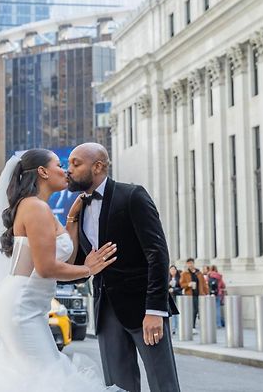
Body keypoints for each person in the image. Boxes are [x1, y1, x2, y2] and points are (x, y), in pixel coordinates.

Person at [0, 149, 120, 392]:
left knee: (32, 377)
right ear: (42, 172)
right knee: (49, 375)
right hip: (21, 306)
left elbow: (65, 255)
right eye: (59, 164)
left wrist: (71, 219)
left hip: (22, 303)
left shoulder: (37, 206)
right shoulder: (36, 208)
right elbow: (46, 267)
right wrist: (87, 269)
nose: (66, 170)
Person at [66, 142, 180, 392]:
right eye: (68, 163)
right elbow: (74, 269)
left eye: (76, 163)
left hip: (143, 309)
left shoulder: (132, 195)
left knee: (164, 385)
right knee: (117, 387)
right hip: (105, 312)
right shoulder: (80, 209)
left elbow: (157, 254)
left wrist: (155, 310)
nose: (68, 169)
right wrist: (71, 220)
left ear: (98, 166)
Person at [180, 258, 208, 330]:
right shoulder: (184, 273)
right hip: (190, 295)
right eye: (188, 263)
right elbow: (181, 284)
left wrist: (206, 292)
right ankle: (192, 326)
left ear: (193, 263)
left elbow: (204, 284)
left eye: (191, 263)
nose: (190, 265)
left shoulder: (199, 273)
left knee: (200, 310)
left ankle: (200, 325)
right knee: (193, 310)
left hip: (199, 294)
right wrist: (188, 284)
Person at [169, 265, 182, 335]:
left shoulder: (179, 278)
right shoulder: (168, 278)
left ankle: (179, 327)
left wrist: (173, 289)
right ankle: (173, 328)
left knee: (178, 313)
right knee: (173, 314)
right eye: (171, 270)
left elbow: (181, 287)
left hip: (178, 297)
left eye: (174, 270)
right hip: (171, 297)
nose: (172, 271)